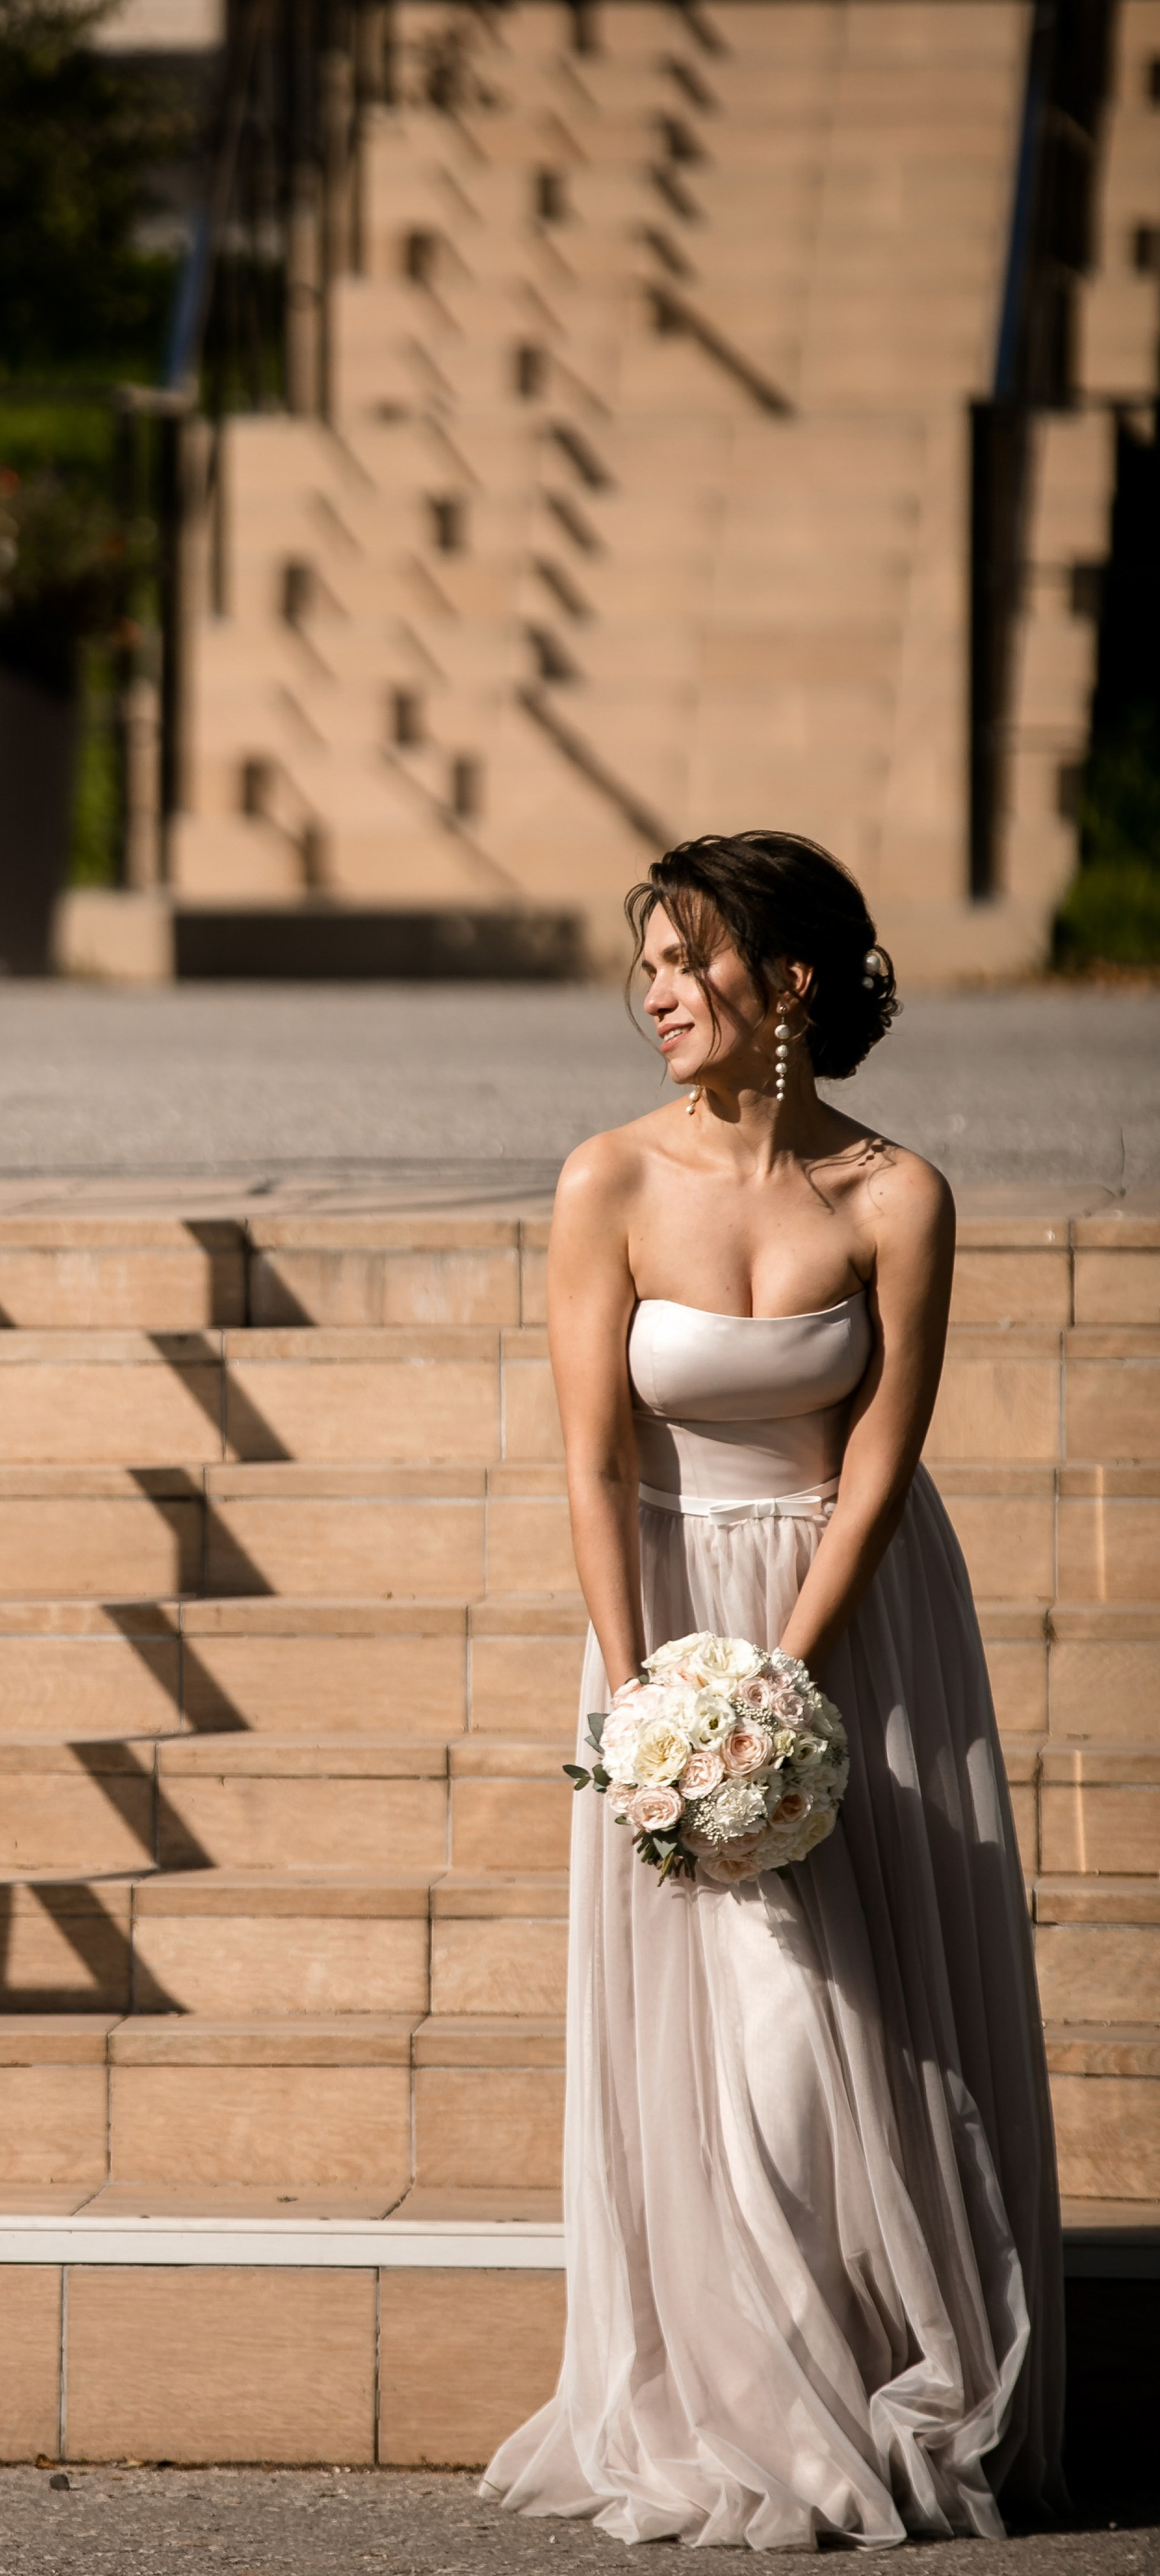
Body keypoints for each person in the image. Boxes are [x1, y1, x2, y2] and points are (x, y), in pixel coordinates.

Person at [483, 831, 1062, 2547]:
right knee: (721, 2023)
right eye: (646, 967)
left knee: (839, 2018)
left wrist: (778, 1688)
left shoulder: (897, 1197)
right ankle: (730, 2398)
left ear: (785, 982)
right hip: (658, 1615)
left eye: (687, 960)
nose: (656, 994)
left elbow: (881, 1463)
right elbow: (590, 1462)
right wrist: (651, 1697)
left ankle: (872, 2373)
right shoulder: (603, 1183)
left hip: (849, 1623)